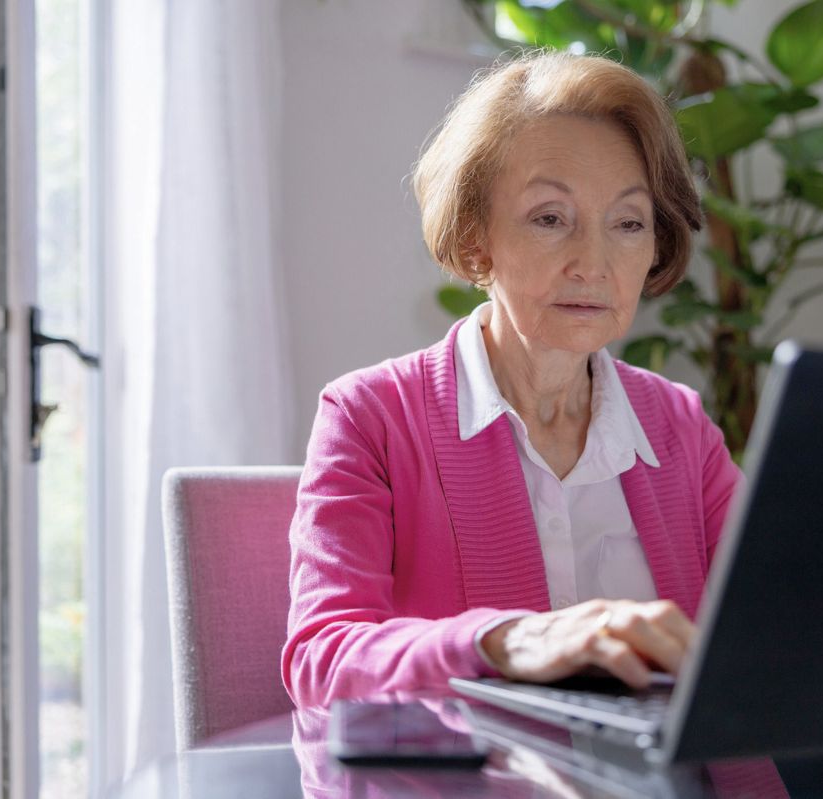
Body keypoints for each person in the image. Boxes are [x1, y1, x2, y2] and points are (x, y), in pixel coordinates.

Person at [280, 48, 786, 796]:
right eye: (551, 218)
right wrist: (512, 638)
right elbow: (322, 657)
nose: (594, 261)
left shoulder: (679, 427)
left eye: (628, 222)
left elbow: (766, 641)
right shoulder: (370, 416)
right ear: (477, 239)